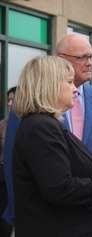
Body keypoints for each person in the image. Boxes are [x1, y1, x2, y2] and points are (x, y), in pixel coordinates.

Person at [2, 34, 92, 228]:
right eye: (82, 57)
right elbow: (13, 161)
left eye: (91, 56)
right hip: (52, 219)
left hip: (89, 214)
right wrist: (18, 212)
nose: (89, 63)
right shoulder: (35, 116)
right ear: (61, 58)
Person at [0, 87, 16, 237]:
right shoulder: (3, 125)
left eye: (13, 99)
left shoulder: (27, 125)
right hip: (3, 179)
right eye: (9, 100)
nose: (10, 103)